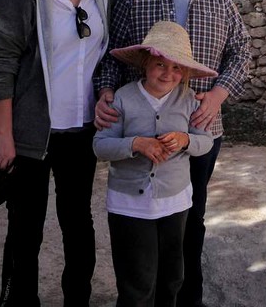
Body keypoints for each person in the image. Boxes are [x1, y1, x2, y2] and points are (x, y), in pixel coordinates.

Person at [94, 0, 251, 307]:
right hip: (139, 126)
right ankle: (141, 293)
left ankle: (186, 297)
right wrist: (107, 91)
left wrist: (217, 96)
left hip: (200, 125)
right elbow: (113, 51)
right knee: (143, 217)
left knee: (189, 215)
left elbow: (242, 51)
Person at [0, 0, 124, 306]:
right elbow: (1, 63)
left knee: (78, 226)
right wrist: (4, 134)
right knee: (25, 230)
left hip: (81, 132)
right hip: (28, 134)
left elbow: (132, 29)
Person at [93, 21, 217, 307]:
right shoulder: (122, 98)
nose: (168, 73)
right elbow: (100, 146)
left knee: (172, 278)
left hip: (175, 203)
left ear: (185, 73)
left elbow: (205, 142)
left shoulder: (188, 100)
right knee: (137, 282)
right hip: (129, 206)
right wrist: (135, 144)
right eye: (160, 64)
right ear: (146, 63)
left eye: (177, 68)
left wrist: (185, 140)